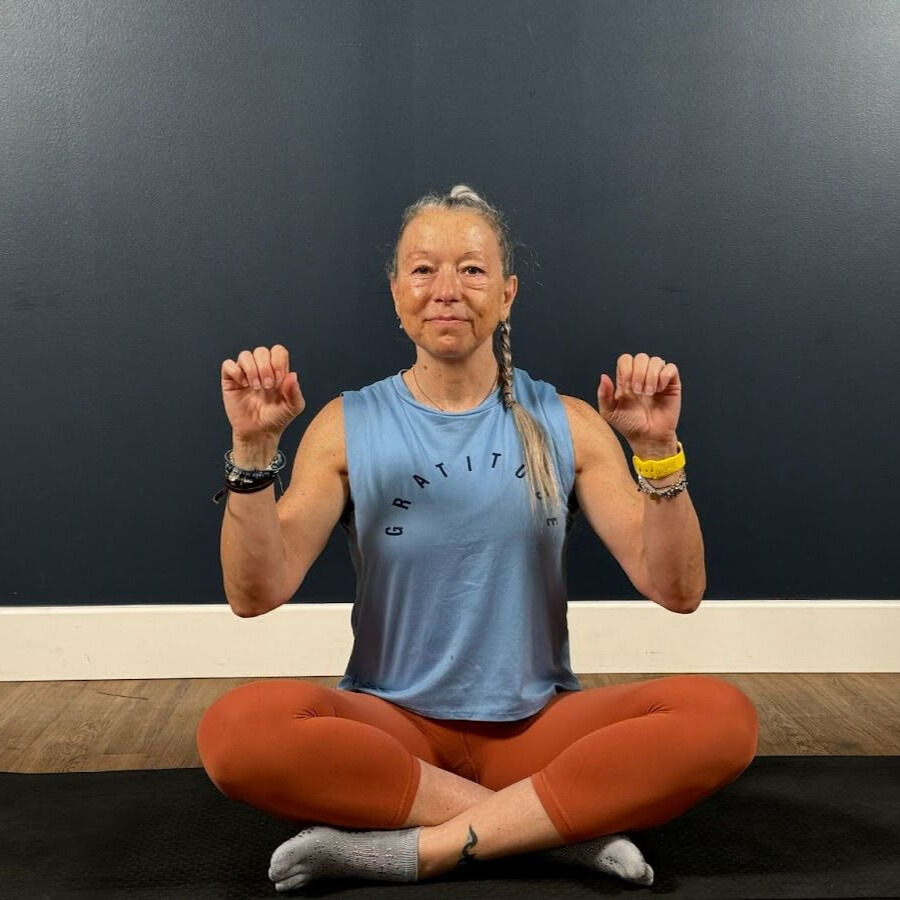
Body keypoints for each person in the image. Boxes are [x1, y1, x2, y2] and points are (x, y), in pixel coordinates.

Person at [198, 185, 759, 892]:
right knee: (235, 731)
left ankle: (407, 851)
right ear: (397, 290)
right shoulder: (347, 425)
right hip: (392, 729)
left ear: (507, 292)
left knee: (723, 720)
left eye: (471, 268)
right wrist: (252, 453)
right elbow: (257, 594)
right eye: (423, 268)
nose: (446, 289)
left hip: (535, 730)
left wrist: (659, 453)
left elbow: (676, 590)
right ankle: (550, 836)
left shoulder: (570, 422)